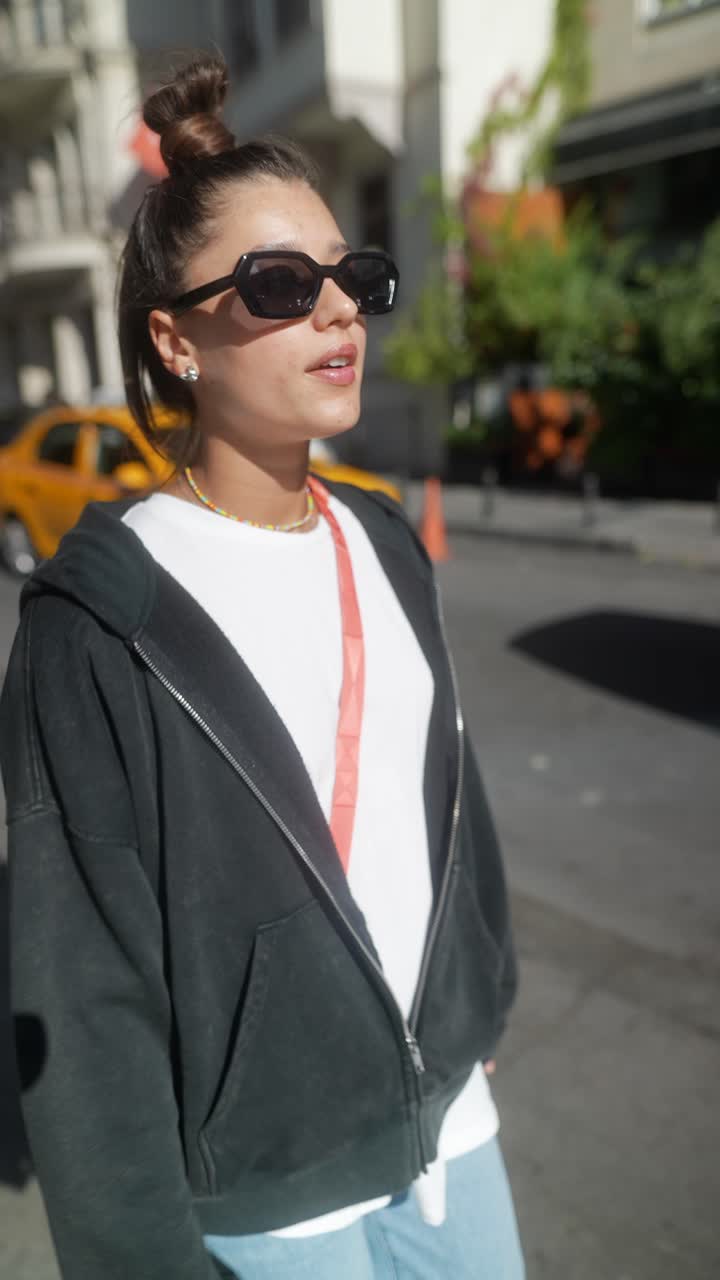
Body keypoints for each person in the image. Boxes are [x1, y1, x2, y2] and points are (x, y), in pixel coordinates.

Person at [0, 55, 524, 1280]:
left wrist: (471, 991)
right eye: (283, 285)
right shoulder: (99, 623)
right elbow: (81, 997)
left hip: (455, 1129)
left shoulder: (388, 537)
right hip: (273, 1197)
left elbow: (446, 789)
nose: (339, 308)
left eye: (353, 276)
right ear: (175, 340)